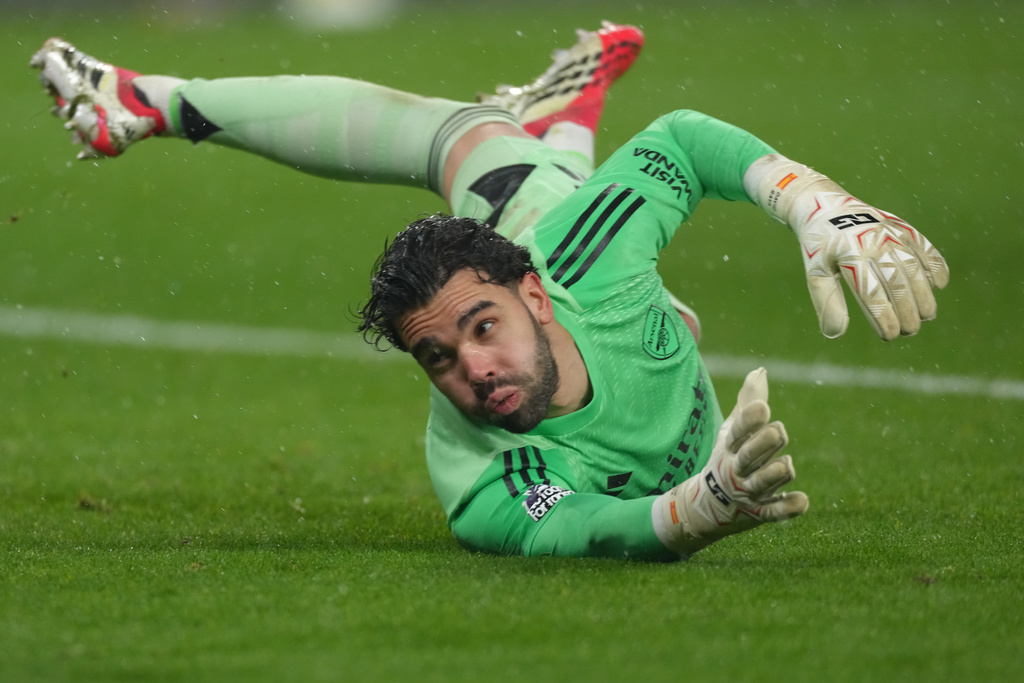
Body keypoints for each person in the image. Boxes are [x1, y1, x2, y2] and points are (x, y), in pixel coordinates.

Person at [30, 23, 949, 560]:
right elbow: (585, 529)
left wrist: (817, 204)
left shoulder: (581, 253)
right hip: (555, 268)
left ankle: (148, 102)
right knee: (537, 183)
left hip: (530, 221)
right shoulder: (479, 471)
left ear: (536, 295)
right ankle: (554, 120)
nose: (473, 370)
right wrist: (698, 507)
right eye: (437, 357)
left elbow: (683, 140)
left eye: (481, 328)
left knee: (475, 142)